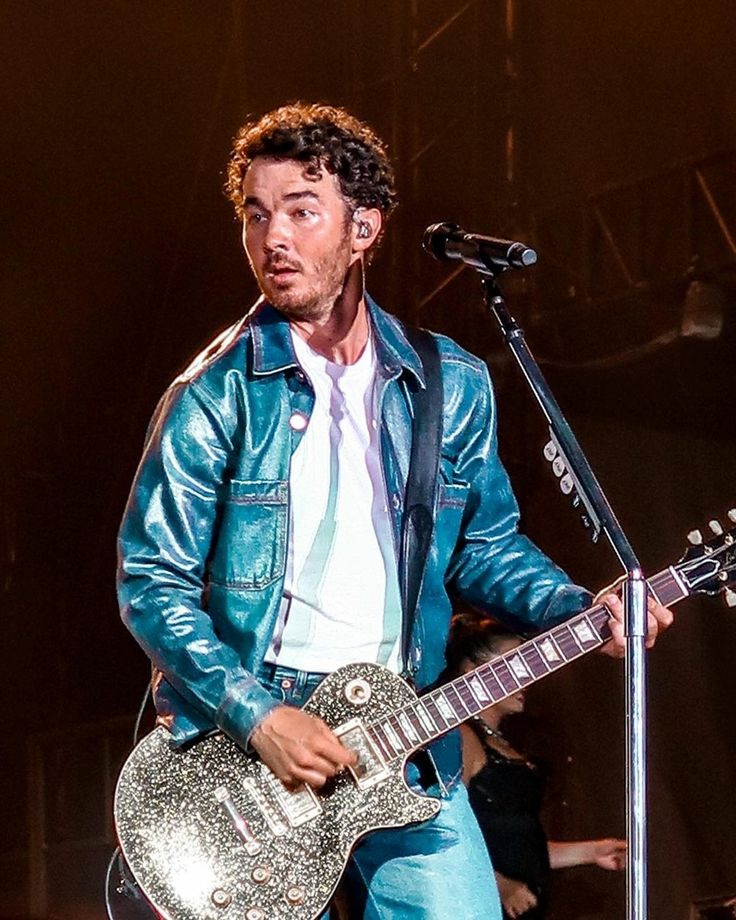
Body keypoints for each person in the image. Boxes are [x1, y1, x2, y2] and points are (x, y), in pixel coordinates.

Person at [116, 102, 672, 920]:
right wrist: (258, 714)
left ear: (363, 228)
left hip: (404, 728)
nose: (275, 237)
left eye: (303, 212)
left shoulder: (447, 384)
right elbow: (150, 580)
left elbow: (484, 546)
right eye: (257, 214)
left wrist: (580, 607)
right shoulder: (215, 393)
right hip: (243, 743)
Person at [446, 613, 627, 919]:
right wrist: (499, 885)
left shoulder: (500, 742)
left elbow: (517, 842)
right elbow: (442, 836)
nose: (526, 677)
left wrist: (592, 851)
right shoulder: (461, 739)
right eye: (512, 665)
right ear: (472, 670)